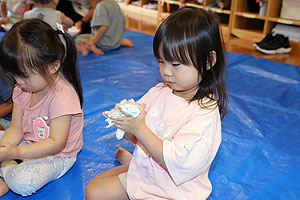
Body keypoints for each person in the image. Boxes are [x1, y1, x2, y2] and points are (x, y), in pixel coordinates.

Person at [85, 6, 227, 200]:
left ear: (209, 61)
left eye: (176, 64)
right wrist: (126, 120)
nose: (166, 72)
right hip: (147, 176)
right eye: (161, 61)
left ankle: (131, 164)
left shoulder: (204, 113)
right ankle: (132, 165)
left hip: (174, 192)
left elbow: (181, 162)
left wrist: (140, 128)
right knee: (93, 192)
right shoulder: (160, 92)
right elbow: (132, 133)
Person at [0, 18, 84, 197]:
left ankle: (7, 173)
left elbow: (56, 143)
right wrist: (5, 147)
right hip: (27, 144)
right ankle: (9, 166)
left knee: (23, 183)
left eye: (25, 75)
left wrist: (13, 153)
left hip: (57, 156)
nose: (18, 81)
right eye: (15, 74)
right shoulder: (22, 88)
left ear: (53, 66)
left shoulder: (63, 97)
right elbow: (16, 128)